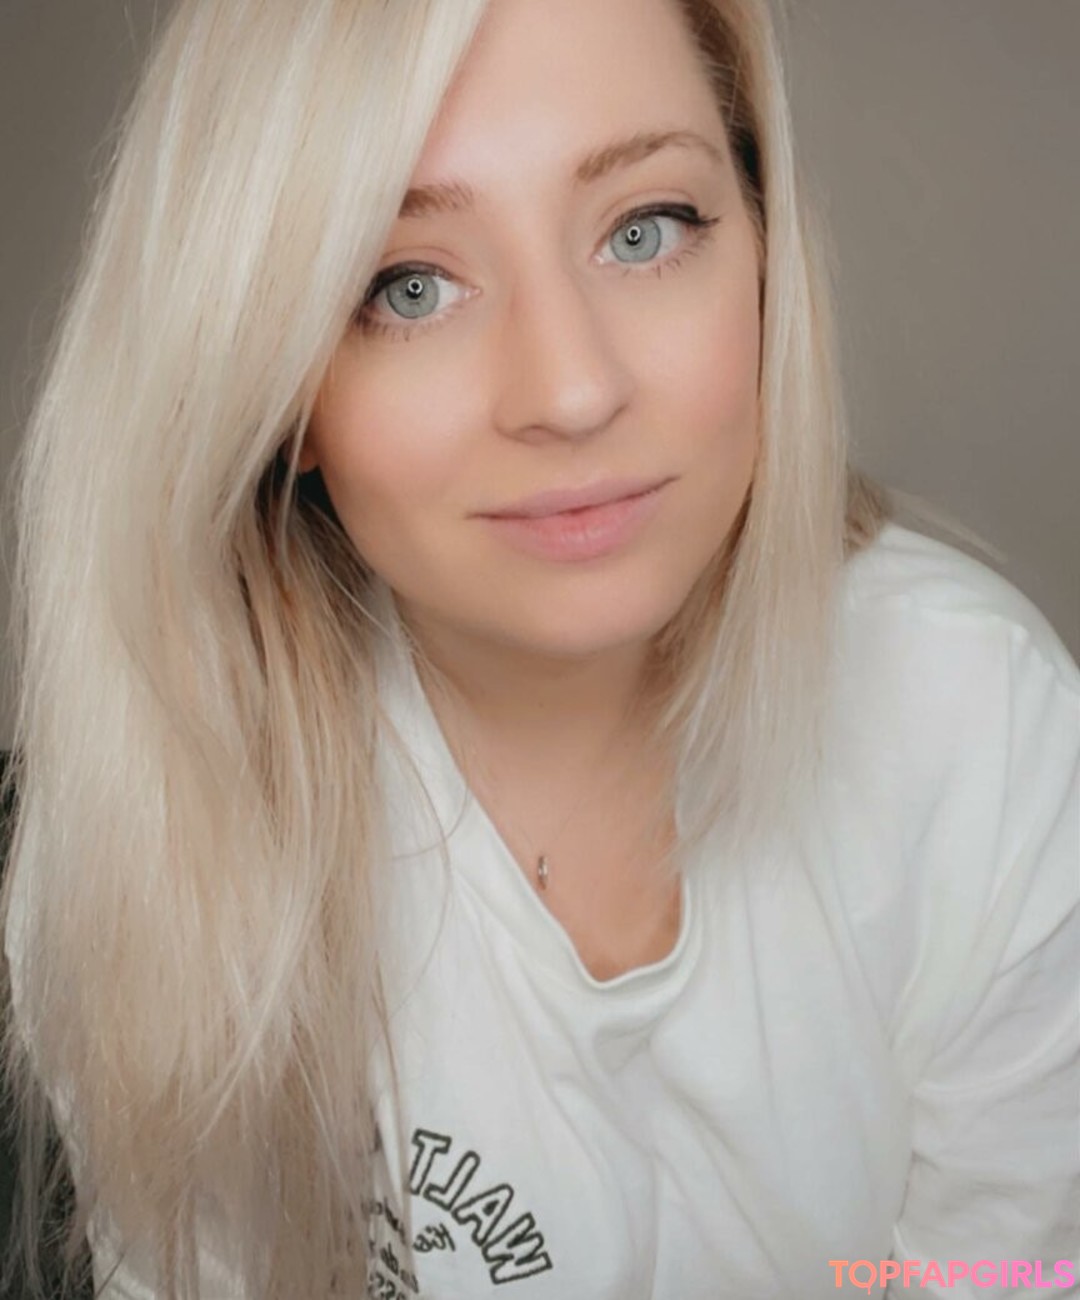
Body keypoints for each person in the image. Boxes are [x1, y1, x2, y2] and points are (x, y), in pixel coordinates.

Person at [1, 0, 1076, 1296]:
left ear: (765, 254)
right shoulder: (154, 828)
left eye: (645, 229)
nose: (572, 390)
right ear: (277, 387)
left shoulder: (980, 722)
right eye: (408, 286)